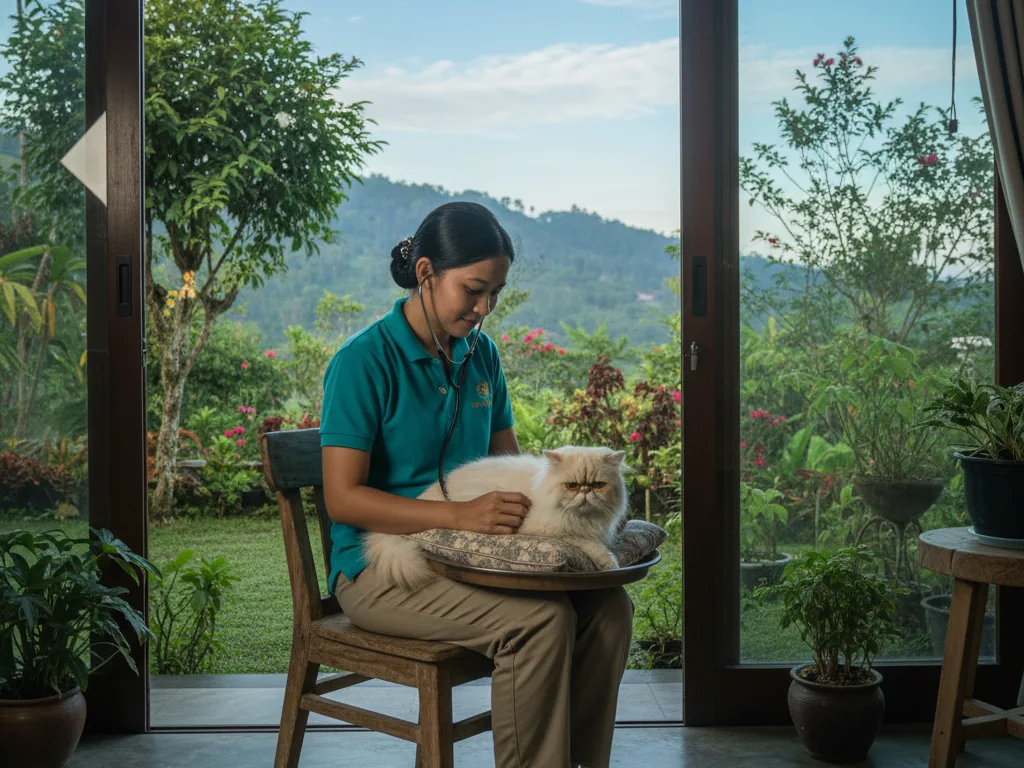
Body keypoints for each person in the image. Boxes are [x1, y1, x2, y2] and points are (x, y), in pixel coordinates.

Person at [320, 201, 633, 768]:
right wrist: (459, 516)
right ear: (425, 274)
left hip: (476, 557)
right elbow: (343, 499)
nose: (486, 307)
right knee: (541, 621)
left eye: (496, 292)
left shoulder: (481, 355)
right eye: (473, 289)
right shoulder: (363, 362)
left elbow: (512, 465)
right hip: (381, 567)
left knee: (610, 611)